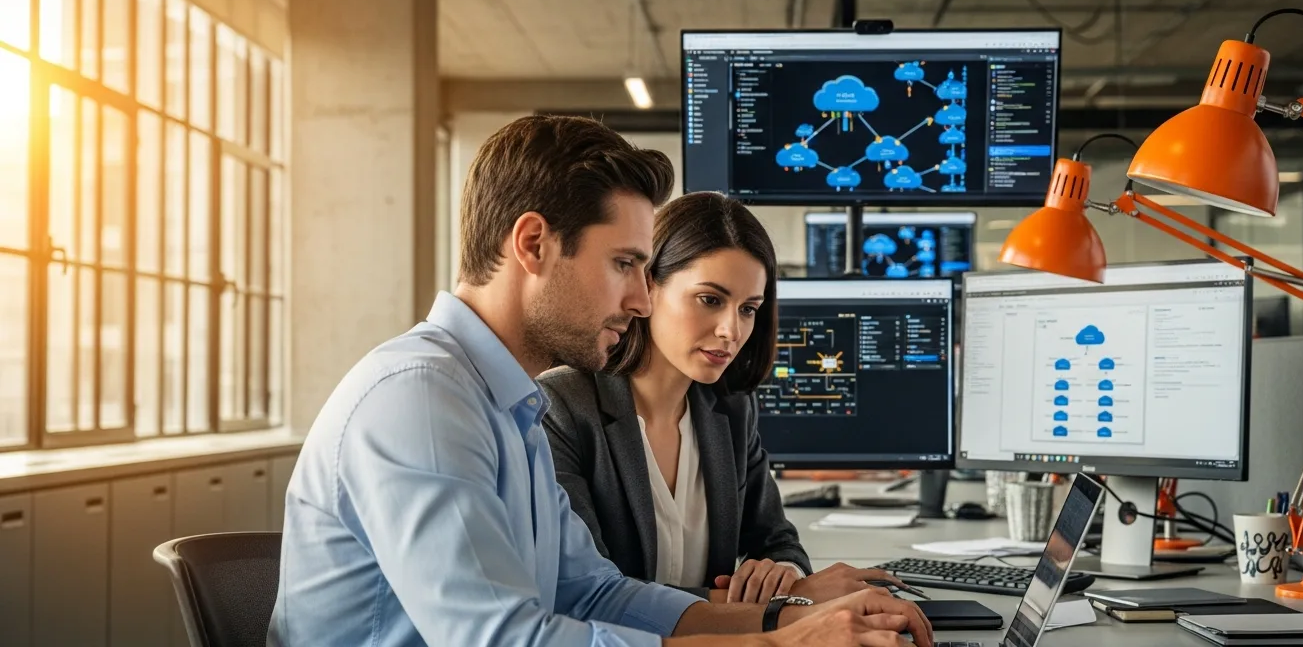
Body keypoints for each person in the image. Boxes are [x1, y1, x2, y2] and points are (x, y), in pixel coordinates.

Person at [269, 114, 932, 647]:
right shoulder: (419, 398)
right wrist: (776, 645)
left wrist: (790, 621)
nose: (641, 301)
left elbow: (594, 594)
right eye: (624, 264)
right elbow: (503, 639)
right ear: (532, 245)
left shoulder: (506, 403)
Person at [539, 192, 906, 605]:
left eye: (748, 308)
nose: (731, 330)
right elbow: (587, 595)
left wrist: (783, 573)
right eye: (710, 300)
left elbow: (778, 541)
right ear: (648, 286)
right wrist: (787, 602)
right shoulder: (560, 410)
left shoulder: (731, 409)